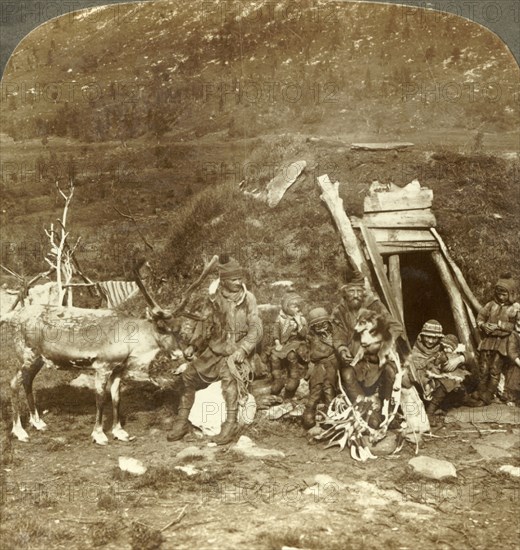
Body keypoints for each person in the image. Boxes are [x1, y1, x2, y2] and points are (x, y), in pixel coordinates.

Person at [167, 257, 263, 445]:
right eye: (234, 279)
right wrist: (194, 345)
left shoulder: (248, 299)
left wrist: (244, 349)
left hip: (237, 350)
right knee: (188, 375)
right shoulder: (213, 298)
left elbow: (256, 328)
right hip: (215, 349)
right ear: (224, 280)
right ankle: (182, 420)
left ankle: (230, 423)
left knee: (230, 379)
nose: (239, 282)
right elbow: (206, 324)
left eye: (240, 278)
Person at [339, 309, 398, 429]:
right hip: (362, 370)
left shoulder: (384, 335)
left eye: (362, 323)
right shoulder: (355, 335)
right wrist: (343, 351)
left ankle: (387, 412)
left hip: (379, 373)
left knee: (390, 372)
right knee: (346, 373)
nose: (356, 328)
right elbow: (342, 341)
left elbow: (390, 354)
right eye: (358, 323)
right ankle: (362, 407)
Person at [331, 267, 402, 358]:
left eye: (359, 291)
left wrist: (382, 342)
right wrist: (342, 349)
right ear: (345, 293)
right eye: (351, 291)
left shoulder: (374, 305)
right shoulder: (339, 311)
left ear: (364, 292)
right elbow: (338, 334)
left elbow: (395, 326)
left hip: (376, 354)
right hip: (353, 355)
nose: (356, 295)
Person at [472, 274, 519, 405]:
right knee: (483, 368)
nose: (501, 297)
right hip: (488, 341)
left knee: (494, 369)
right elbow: (480, 317)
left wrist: (499, 325)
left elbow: (514, 326)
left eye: (504, 294)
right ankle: (480, 391)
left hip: (502, 343)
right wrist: (483, 325)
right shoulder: (491, 305)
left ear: (511, 294)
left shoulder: (514, 308)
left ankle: (488, 395)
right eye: (499, 294)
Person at [302, 307, 345, 429]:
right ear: (312, 327)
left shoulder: (335, 334)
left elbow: (341, 346)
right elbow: (308, 352)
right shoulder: (311, 337)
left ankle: (330, 411)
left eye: (324, 324)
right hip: (319, 364)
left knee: (328, 386)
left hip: (333, 363)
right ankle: (310, 408)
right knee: (317, 385)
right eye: (317, 326)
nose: (321, 328)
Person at [422, 333, 470, 423]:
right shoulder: (442, 354)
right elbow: (434, 363)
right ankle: (430, 412)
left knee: (460, 390)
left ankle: (465, 400)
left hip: (458, 378)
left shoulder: (458, 354)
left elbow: (470, 358)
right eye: (444, 347)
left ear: (454, 347)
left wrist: (461, 358)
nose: (445, 349)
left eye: (448, 347)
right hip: (445, 378)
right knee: (442, 388)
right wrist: (438, 361)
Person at [269, 293, 308, 398]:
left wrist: (299, 323)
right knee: (274, 357)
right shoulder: (280, 318)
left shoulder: (301, 319)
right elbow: (276, 331)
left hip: (296, 342)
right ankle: (278, 379)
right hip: (283, 344)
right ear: (286, 307)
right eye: (294, 306)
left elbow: (304, 335)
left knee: (291, 355)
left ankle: (294, 377)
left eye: (298, 306)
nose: (297, 309)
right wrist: (277, 343)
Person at [504, 311, 520, 406]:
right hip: (516, 362)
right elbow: (512, 353)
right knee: (515, 375)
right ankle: (512, 398)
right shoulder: (513, 335)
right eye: (518, 320)